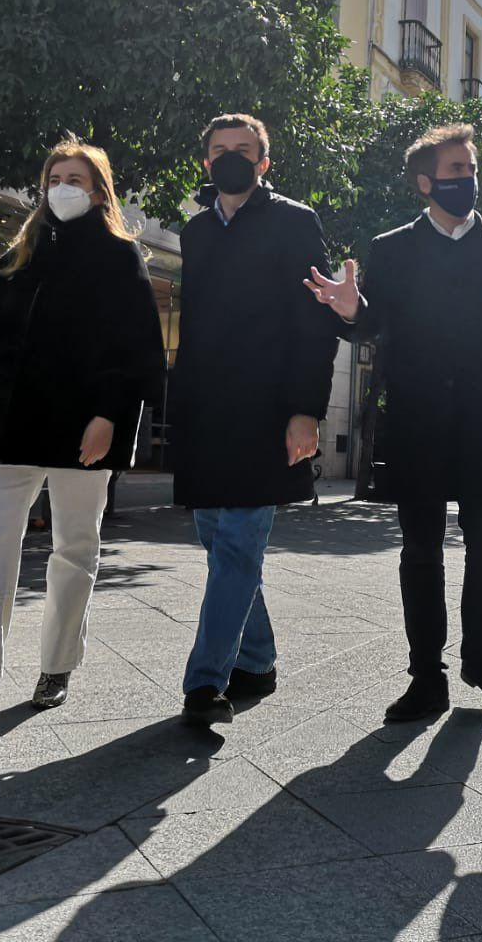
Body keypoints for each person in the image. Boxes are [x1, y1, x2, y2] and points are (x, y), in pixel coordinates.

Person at [0, 138, 162, 715]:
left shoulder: (120, 254)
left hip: (84, 425)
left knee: (75, 548)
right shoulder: (18, 254)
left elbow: (136, 349)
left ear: (99, 189)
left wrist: (110, 417)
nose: (62, 187)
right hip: (13, 426)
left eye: (75, 178)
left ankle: (56, 667)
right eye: (54, 176)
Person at [306, 123, 482, 722]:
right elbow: (370, 324)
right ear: (425, 182)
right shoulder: (392, 248)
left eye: (471, 169)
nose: (469, 179)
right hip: (417, 420)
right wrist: (349, 308)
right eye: (456, 171)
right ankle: (425, 676)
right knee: (420, 549)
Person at [172, 114, 340, 726]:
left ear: (264, 161)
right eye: (219, 151)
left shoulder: (296, 222)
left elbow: (315, 323)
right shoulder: (193, 230)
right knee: (219, 542)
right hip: (205, 410)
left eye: (244, 150)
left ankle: (204, 682)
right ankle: (259, 658)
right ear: (206, 162)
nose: (231, 159)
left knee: (239, 544)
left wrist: (305, 411)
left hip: (267, 410)